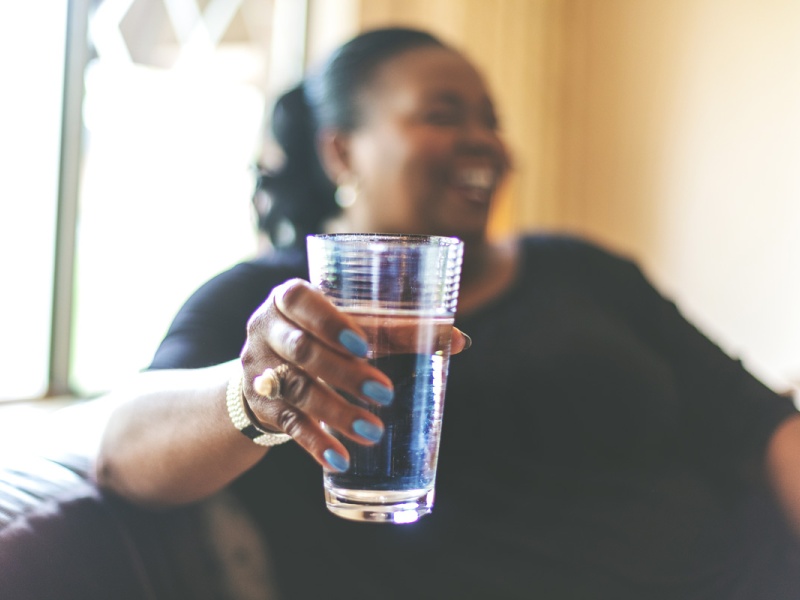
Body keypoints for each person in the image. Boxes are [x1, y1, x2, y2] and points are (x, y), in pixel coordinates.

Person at [95, 26, 800, 599]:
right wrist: (255, 393)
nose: (484, 141)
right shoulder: (280, 304)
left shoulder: (582, 269)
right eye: (442, 115)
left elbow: (762, 423)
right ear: (342, 150)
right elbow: (123, 452)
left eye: (491, 121)